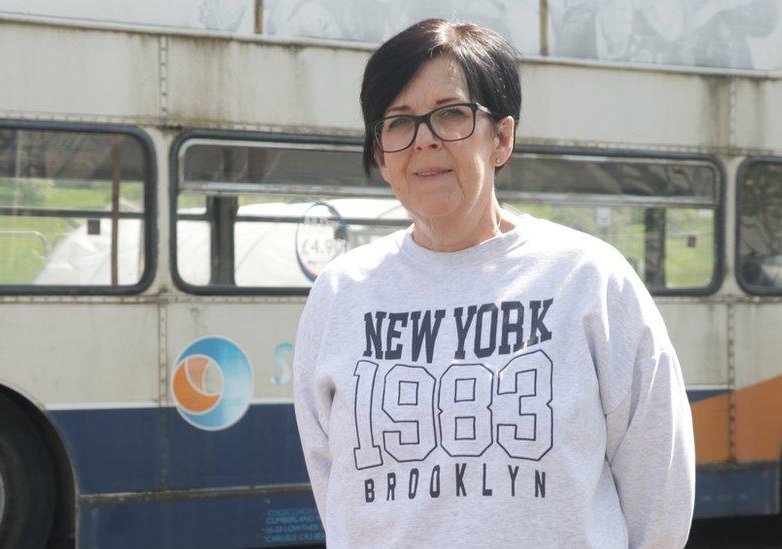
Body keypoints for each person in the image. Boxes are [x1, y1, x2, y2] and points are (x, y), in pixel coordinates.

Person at [292, 18, 695, 548]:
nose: (425, 141)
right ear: (380, 155)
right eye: (399, 122)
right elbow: (335, 488)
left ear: (500, 138)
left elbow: (658, 487)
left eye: (451, 115)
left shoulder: (589, 279)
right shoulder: (341, 294)